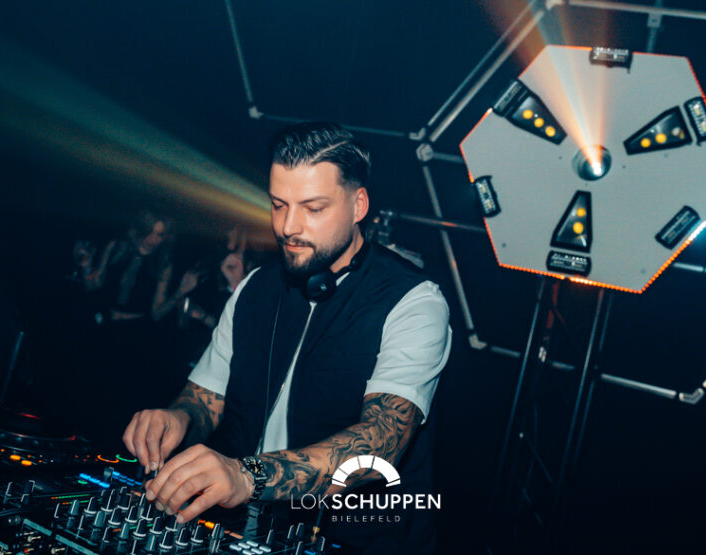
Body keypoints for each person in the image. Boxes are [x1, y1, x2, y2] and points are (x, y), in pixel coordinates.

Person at [123, 123, 451, 553]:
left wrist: (247, 475)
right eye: (279, 205)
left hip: (352, 541)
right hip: (244, 531)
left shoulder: (414, 302)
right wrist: (177, 418)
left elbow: (380, 441)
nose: (289, 227)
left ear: (358, 205)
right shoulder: (255, 288)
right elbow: (206, 397)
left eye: (313, 208)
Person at [75, 209, 192, 324]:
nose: (153, 238)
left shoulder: (163, 265)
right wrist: (86, 267)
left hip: (135, 326)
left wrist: (179, 293)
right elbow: (92, 288)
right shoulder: (115, 247)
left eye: (160, 234)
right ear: (141, 229)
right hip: (103, 318)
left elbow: (156, 314)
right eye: (149, 231)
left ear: (166, 237)